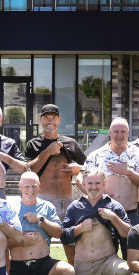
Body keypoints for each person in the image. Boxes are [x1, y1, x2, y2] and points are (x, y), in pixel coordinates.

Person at [76, 117, 139, 275]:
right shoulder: (97, 155)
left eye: (123, 132)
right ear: (109, 133)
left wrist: (128, 172)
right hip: (103, 216)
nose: (119, 135)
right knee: (106, 259)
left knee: (133, 259)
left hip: (132, 214)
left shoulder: (138, 154)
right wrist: (92, 198)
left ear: (129, 134)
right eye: (115, 131)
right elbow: (80, 177)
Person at [62, 168, 131, 275]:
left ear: (104, 184)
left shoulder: (114, 206)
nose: (94, 187)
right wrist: (80, 228)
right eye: (90, 183)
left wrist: (113, 218)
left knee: (124, 270)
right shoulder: (75, 207)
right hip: (84, 264)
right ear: (84, 184)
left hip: (108, 260)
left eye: (97, 183)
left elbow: (129, 233)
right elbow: (64, 235)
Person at [8, 172, 74, 275]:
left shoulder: (47, 206)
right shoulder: (10, 208)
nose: (30, 190)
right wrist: (22, 240)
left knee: (69, 271)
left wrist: (40, 220)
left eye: (34, 186)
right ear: (19, 187)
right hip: (19, 266)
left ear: (39, 186)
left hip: (43, 262)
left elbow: (58, 233)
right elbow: (2, 241)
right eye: (27, 186)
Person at [25, 104, 86, 266]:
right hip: (43, 202)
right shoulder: (34, 144)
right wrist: (48, 151)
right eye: (46, 118)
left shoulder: (70, 143)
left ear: (59, 120)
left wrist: (79, 169)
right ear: (41, 120)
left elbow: (90, 168)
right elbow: (28, 172)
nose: (50, 121)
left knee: (72, 249)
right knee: (39, 251)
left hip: (67, 203)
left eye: (53, 118)